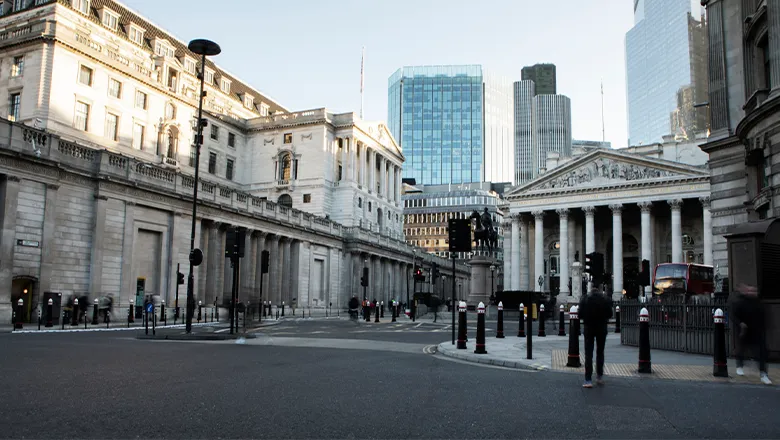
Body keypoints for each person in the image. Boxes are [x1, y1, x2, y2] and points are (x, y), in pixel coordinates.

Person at [732, 284, 771, 385]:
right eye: (750, 291)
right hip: (745, 331)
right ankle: (739, 365)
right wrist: (740, 324)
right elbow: (734, 315)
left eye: (754, 291)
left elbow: (764, 317)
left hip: (757, 332)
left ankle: (763, 374)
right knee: (742, 349)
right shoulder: (741, 303)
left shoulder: (759, 304)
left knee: (761, 353)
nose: (752, 293)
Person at [578, 287, 613, 388]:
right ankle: (599, 376)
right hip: (601, 328)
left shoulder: (585, 299)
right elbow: (610, 314)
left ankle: (588, 379)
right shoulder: (604, 300)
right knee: (600, 352)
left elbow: (580, 314)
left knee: (588, 353)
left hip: (589, 328)